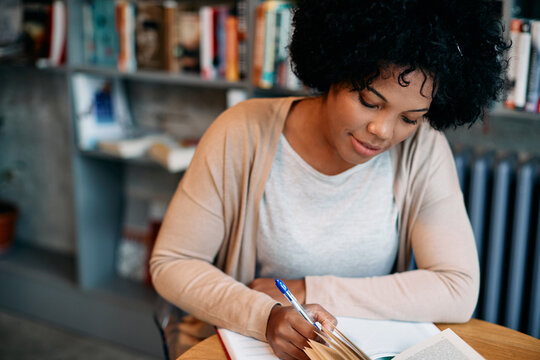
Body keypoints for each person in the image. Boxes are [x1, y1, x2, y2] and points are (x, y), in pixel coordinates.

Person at [150, 1, 509, 359]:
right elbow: (173, 263)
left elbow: (458, 288)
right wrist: (265, 316)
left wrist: (309, 290)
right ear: (335, 68)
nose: (382, 131)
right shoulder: (242, 132)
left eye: (410, 118)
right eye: (369, 101)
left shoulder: (423, 149)